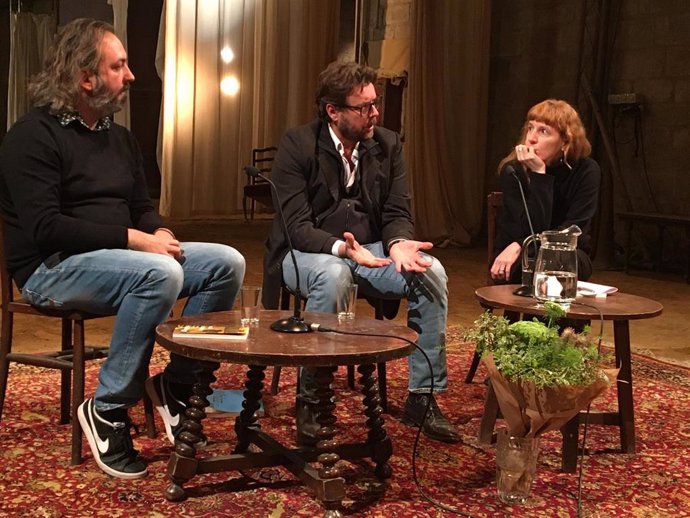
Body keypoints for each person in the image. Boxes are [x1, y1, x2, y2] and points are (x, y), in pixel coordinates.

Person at [0, 19, 246, 480]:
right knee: (160, 274)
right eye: (120, 66)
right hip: (51, 269)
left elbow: (140, 207)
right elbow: (46, 228)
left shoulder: (118, 136)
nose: (131, 76)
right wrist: (137, 241)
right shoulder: (32, 136)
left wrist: (160, 232)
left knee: (225, 262)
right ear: (84, 77)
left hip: (119, 259)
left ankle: (177, 383)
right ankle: (108, 408)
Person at [263, 61, 458, 444]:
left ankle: (423, 395)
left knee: (430, 270)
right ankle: (314, 398)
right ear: (332, 111)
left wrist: (399, 242)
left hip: (369, 251)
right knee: (333, 274)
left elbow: (397, 211)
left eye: (375, 103)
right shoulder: (298, 144)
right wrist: (344, 251)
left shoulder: (386, 144)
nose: (374, 113)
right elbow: (297, 226)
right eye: (363, 107)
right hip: (306, 252)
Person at [490, 99, 600, 284]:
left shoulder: (586, 171)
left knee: (559, 264)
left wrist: (522, 244)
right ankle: (545, 314)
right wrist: (539, 176)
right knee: (532, 266)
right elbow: (526, 228)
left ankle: (553, 313)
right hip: (517, 252)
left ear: (565, 141)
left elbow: (574, 230)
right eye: (530, 128)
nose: (532, 138)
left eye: (543, 131)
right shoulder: (513, 171)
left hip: (566, 251)